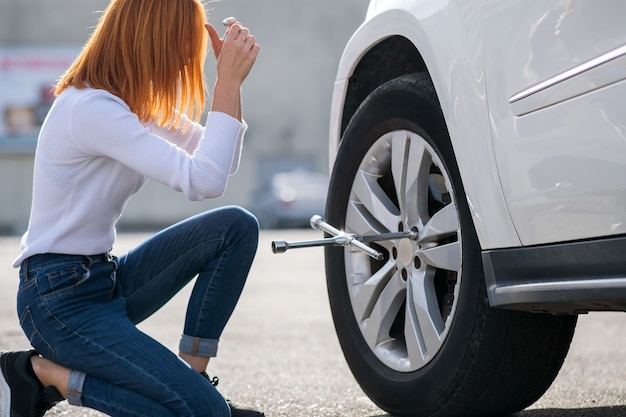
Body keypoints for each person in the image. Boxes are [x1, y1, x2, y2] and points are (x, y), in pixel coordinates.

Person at [0, 0, 263, 415]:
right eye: (183, 45)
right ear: (154, 41)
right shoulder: (92, 109)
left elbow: (220, 161)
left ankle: (194, 380)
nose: (185, 62)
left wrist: (232, 83)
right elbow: (204, 180)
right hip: (57, 300)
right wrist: (226, 83)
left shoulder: (132, 107)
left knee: (235, 227)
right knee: (204, 413)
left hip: (103, 279)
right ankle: (43, 374)